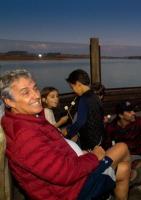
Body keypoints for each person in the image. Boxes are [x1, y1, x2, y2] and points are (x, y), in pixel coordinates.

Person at [0, 69, 131, 200]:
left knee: (123, 169)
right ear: (9, 101)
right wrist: (93, 156)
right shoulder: (24, 134)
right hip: (71, 191)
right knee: (122, 148)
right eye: (25, 92)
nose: (36, 95)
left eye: (35, 88)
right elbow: (64, 174)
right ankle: (106, 191)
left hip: (72, 177)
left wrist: (81, 154)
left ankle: (109, 189)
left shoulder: (30, 119)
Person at [105, 101, 141, 187]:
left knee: (140, 170)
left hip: (135, 156)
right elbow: (107, 146)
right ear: (120, 115)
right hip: (120, 157)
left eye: (133, 110)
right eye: (129, 111)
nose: (133, 113)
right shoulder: (111, 128)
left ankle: (120, 183)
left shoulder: (139, 122)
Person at [63, 69, 106, 151]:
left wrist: (68, 132)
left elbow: (80, 122)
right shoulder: (95, 97)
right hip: (99, 138)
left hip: (89, 142)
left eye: (72, 87)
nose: (73, 90)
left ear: (78, 84)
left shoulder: (83, 99)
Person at [41, 86, 83, 156]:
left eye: (57, 96)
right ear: (44, 100)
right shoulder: (46, 111)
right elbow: (49, 129)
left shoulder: (49, 110)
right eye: (52, 97)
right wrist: (61, 122)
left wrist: (61, 130)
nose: (56, 99)